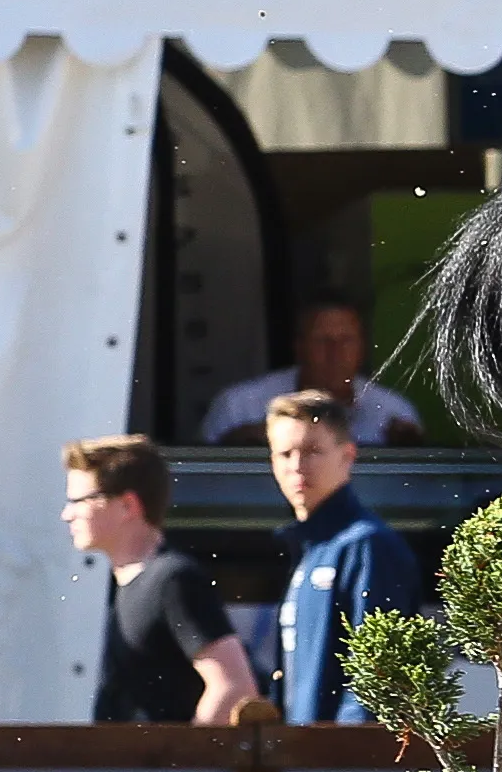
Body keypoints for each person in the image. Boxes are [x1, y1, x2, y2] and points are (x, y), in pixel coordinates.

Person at [64, 435, 264, 726]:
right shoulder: (127, 585)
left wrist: (184, 765)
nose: (67, 514)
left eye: (79, 501)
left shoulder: (173, 581)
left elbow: (234, 688)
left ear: (127, 506)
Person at [267, 390, 433, 726]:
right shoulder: (313, 548)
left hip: (339, 768)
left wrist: (345, 767)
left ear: (347, 456)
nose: (297, 466)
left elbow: (377, 685)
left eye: (313, 451)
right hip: (306, 763)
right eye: (285, 453)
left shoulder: (368, 547)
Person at [200, 298, 421, 447]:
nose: (335, 352)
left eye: (346, 340)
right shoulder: (239, 406)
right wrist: (240, 442)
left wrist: (411, 449)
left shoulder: (394, 412)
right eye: (322, 340)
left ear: (362, 348)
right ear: (299, 347)